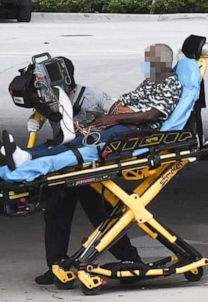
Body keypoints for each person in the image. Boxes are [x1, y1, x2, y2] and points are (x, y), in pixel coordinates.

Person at [23, 58, 141, 286]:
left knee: (102, 215)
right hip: (65, 165)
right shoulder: (50, 100)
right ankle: (56, 265)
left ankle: (130, 259)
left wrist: (100, 124)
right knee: (55, 213)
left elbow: (124, 114)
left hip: (92, 166)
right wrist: (36, 118)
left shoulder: (92, 96)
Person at [0, 43, 182, 168]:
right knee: (71, 139)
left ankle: (26, 159)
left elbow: (151, 116)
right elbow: (124, 101)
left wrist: (111, 118)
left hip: (140, 129)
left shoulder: (169, 83)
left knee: (82, 142)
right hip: (125, 122)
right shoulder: (153, 80)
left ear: (161, 63)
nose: (146, 64)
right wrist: (108, 116)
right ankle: (19, 154)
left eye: (150, 61)